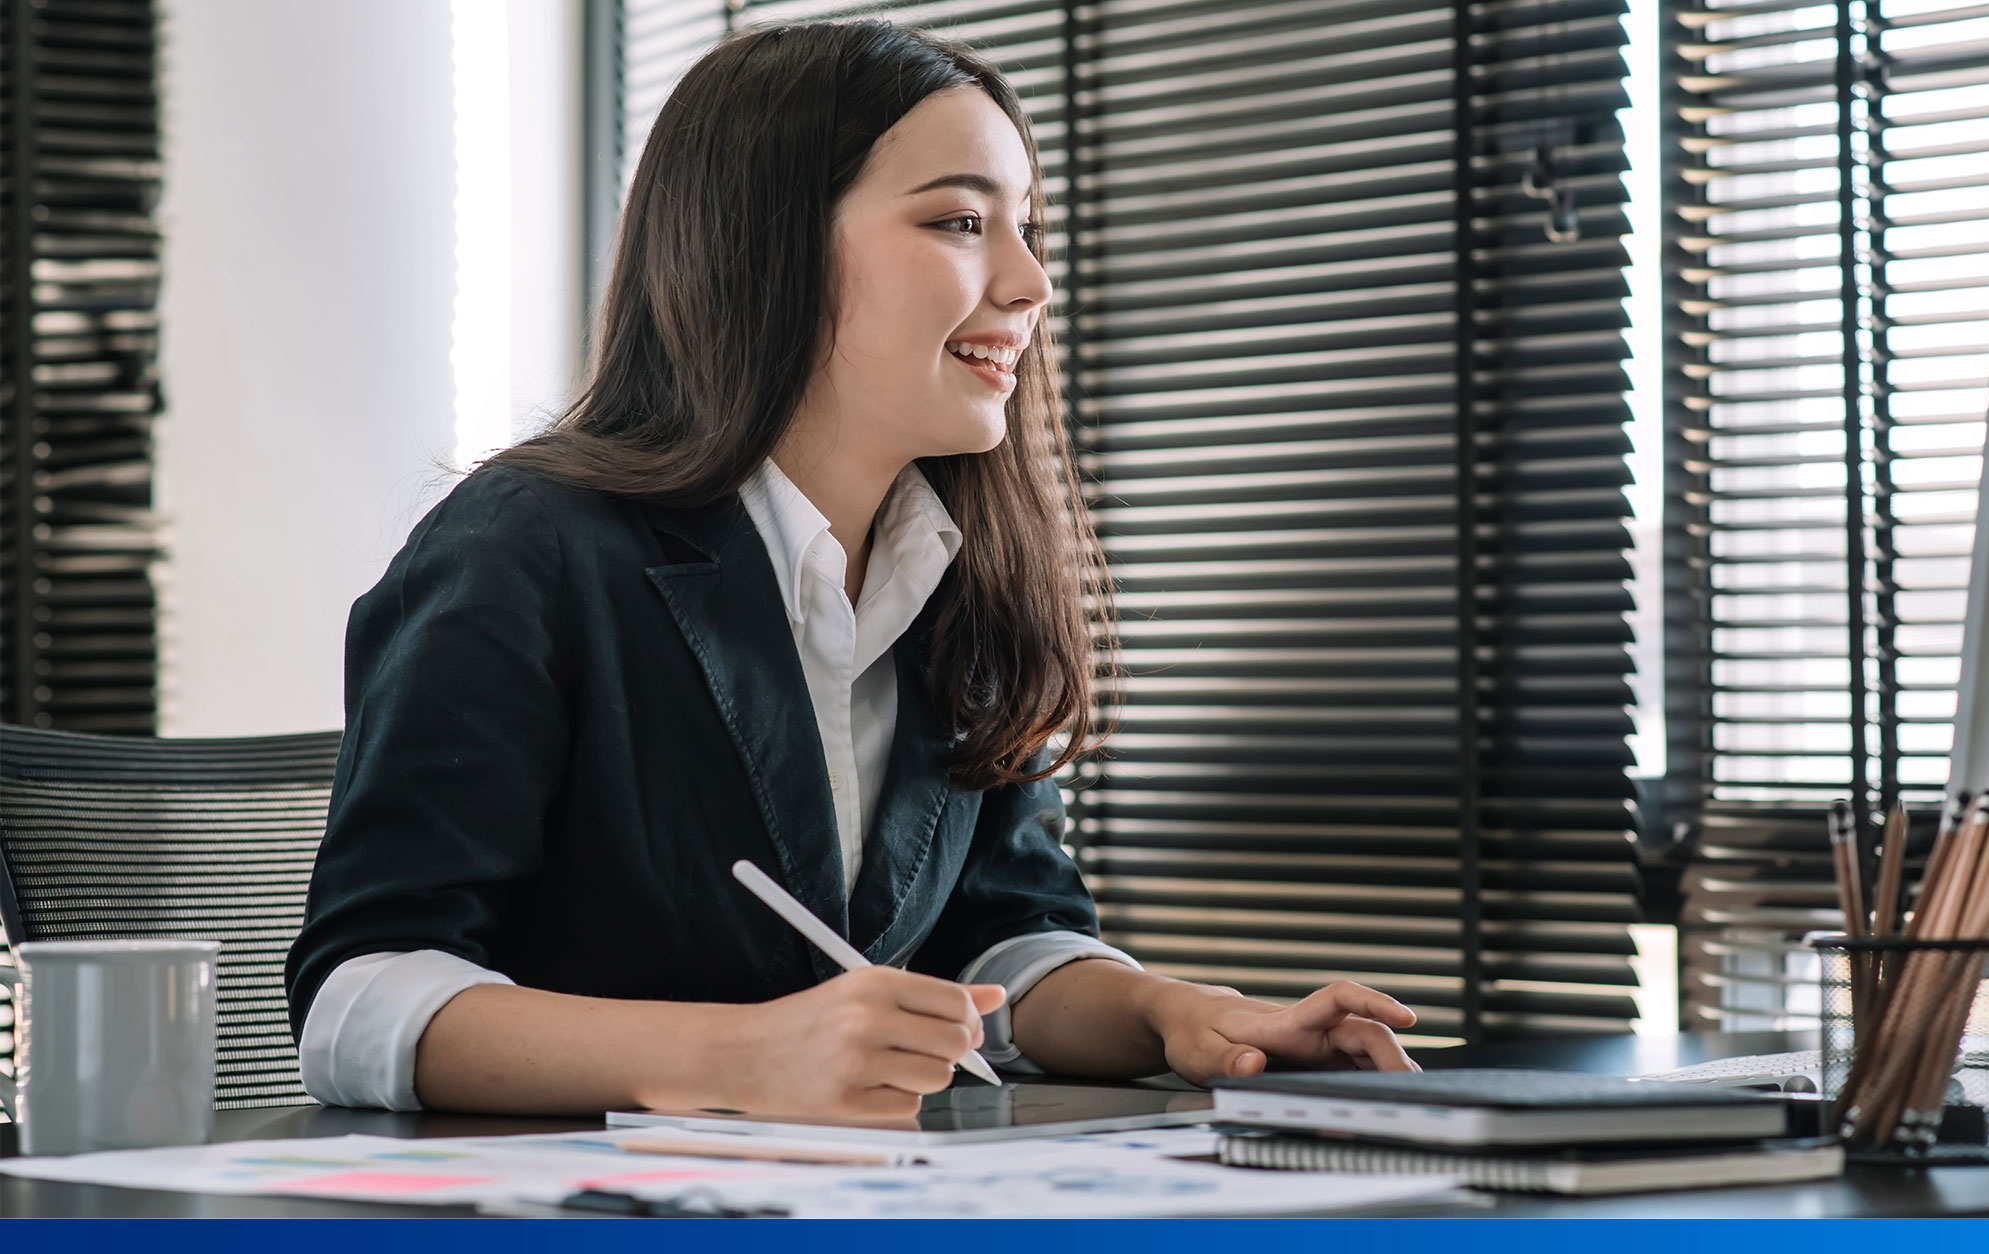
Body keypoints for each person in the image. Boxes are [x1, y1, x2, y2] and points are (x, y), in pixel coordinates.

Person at [285, 19, 1420, 1119]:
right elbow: (362, 998)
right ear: (764, 246)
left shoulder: (953, 572)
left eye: (1027, 227)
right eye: (962, 222)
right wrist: (741, 1055)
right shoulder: (523, 549)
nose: (1032, 283)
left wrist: (1176, 1013)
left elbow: (1003, 942)